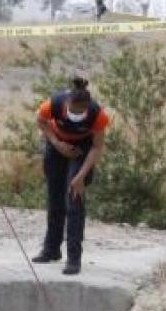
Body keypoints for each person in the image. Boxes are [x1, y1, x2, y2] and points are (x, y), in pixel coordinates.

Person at [31, 76, 110, 276]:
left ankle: (74, 259)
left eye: (80, 113)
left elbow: (97, 146)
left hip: (83, 150)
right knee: (54, 197)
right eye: (73, 112)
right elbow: (40, 121)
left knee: (74, 200)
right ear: (67, 104)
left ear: (87, 107)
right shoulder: (54, 103)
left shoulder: (98, 115)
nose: (76, 115)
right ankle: (51, 249)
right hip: (57, 144)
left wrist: (81, 176)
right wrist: (57, 144)